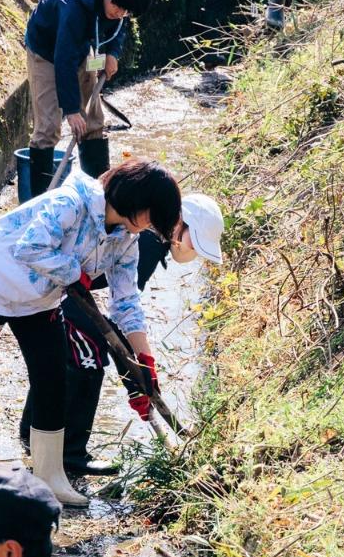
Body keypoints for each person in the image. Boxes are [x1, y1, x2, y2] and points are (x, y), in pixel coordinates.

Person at [0, 159, 181, 508]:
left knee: (52, 381)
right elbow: (30, 248)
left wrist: (144, 361)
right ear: (135, 200)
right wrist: (75, 272)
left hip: (38, 302)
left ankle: (50, 477)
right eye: (150, 217)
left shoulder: (126, 239)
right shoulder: (72, 203)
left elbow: (126, 300)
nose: (147, 227)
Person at [21, 192, 225, 476]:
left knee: (73, 351)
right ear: (181, 223)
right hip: (58, 282)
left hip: (67, 287)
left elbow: (124, 306)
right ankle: (69, 453)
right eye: (196, 241)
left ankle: (32, 431)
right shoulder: (149, 240)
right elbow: (116, 319)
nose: (194, 251)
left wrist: (141, 371)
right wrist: (135, 379)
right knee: (88, 354)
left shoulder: (155, 239)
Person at [24, 0, 154, 183]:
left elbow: (119, 24)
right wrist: (72, 110)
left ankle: (97, 189)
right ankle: (38, 203)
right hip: (46, 52)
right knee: (48, 128)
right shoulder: (71, 5)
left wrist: (112, 53)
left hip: (81, 48)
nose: (120, 14)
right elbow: (64, 60)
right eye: (118, 7)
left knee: (92, 121)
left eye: (126, 11)